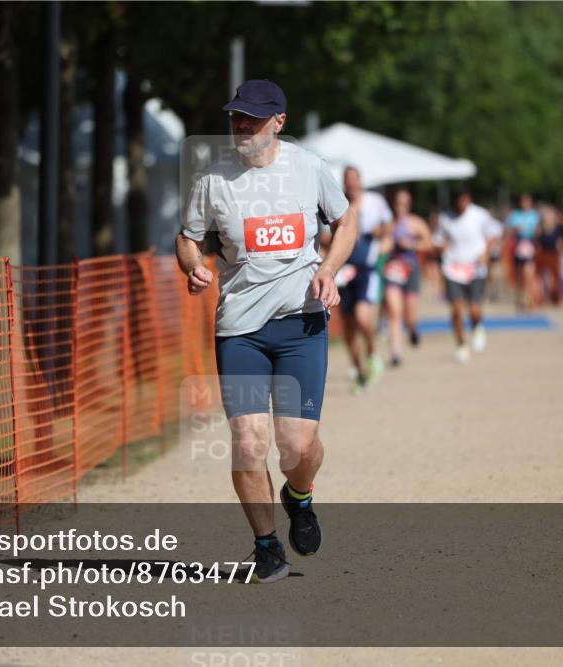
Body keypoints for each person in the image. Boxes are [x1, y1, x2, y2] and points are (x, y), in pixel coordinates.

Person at [176, 80, 357, 583]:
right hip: (240, 331)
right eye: (237, 116)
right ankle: (266, 545)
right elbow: (188, 238)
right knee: (248, 441)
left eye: (254, 118)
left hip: (301, 323)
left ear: (279, 122)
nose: (242, 125)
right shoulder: (213, 179)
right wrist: (193, 265)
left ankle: (299, 495)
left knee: (297, 446)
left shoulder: (309, 168)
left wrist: (329, 270)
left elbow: (346, 223)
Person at [336, 167, 392, 393]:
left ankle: (372, 352)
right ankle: (359, 372)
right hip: (344, 272)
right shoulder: (337, 203)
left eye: (354, 179)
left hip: (367, 269)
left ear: (360, 181)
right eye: (347, 180)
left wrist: (382, 237)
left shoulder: (375, 201)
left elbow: (389, 227)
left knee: (362, 317)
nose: (351, 183)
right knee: (348, 327)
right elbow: (327, 236)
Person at [433, 189, 502, 363]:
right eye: (459, 201)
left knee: (474, 308)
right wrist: (441, 248)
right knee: (457, 309)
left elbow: (495, 233)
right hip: (453, 268)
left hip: (475, 267)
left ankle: (477, 326)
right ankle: (461, 344)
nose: (462, 205)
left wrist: (486, 253)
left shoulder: (480, 215)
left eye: (465, 201)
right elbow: (438, 240)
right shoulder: (445, 218)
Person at [383, 188, 432, 367]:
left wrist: (411, 244)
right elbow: (383, 246)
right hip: (394, 270)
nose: (400, 207)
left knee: (410, 315)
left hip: (411, 270)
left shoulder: (415, 222)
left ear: (409, 205)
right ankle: (396, 352)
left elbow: (429, 244)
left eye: (404, 203)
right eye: (398, 203)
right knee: (394, 312)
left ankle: (412, 329)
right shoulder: (389, 225)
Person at [506, 193, 540, 311]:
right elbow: (508, 230)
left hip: (530, 245)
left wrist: (536, 232)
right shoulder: (515, 215)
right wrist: (515, 229)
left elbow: (539, 230)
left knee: (529, 274)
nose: (525, 204)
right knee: (519, 275)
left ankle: (529, 299)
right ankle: (519, 299)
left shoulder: (535, 215)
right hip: (518, 247)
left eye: (527, 202)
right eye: (523, 202)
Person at [534, 205, 563, 305]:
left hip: (553, 255)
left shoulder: (558, 229)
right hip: (543, 255)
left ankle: (554, 296)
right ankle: (543, 296)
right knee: (543, 277)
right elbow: (537, 242)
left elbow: (561, 244)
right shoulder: (540, 229)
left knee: (552, 278)